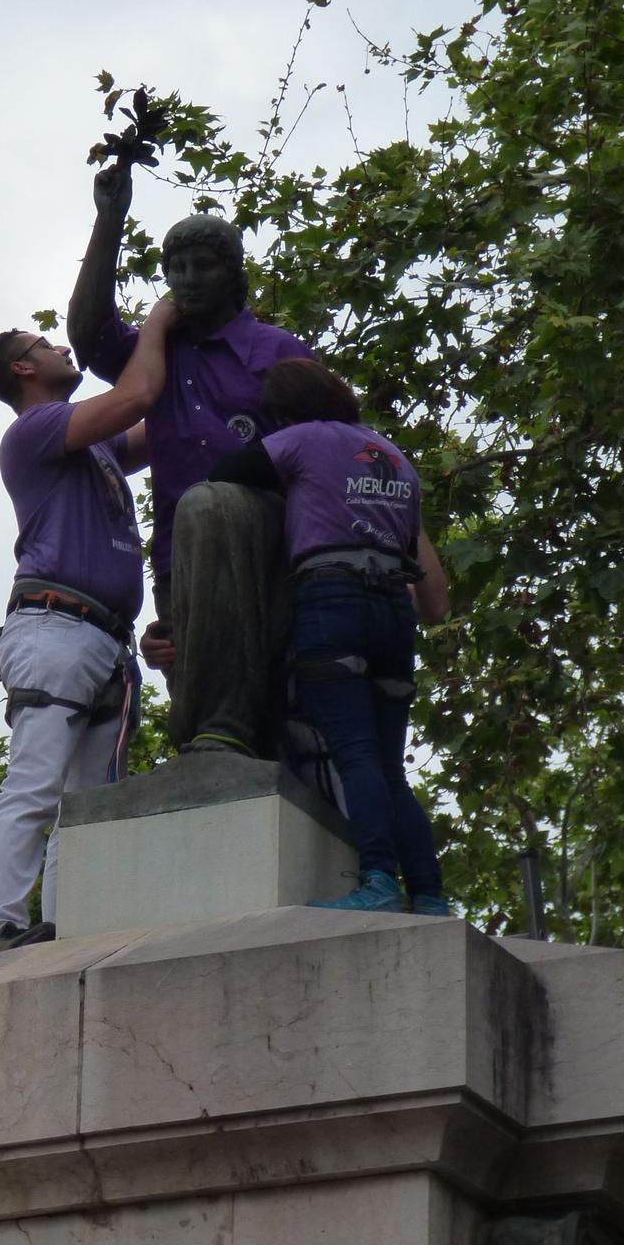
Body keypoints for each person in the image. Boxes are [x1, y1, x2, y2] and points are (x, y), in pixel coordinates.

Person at [68, 161, 312, 756]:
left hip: (267, 547)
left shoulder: (277, 351)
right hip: (181, 555)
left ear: (233, 274)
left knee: (274, 714)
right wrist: (109, 220)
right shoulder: (158, 351)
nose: (187, 278)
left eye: (202, 265)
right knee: (194, 692)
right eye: (176, 267)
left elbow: (317, 451)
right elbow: (89, 333)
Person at [209, 358, 452, 915]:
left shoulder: (299, 440)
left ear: (285, 410)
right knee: (391, 766)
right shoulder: (394, 458)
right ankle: (430, 894)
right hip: (393, 609)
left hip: (332, 598)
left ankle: (378, 880)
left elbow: (226, 473)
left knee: (355, 752)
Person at [0, 299, 179, 952]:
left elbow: (161, 417)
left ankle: (69, 932)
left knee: (84, 807)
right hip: (55, 626)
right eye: (46, 344)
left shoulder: (94, 449)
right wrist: (160, 323)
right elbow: (139, 392)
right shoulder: (35, 430)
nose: (63, 348)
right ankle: (0, 926)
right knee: (37, 782)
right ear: (21, 367)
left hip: (101, 638)